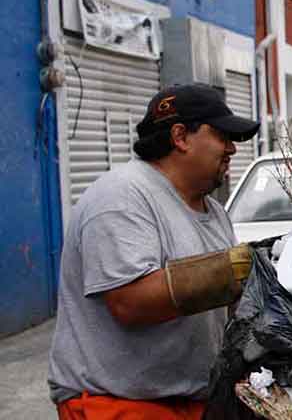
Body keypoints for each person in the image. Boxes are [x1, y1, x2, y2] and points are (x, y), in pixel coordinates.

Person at [48, 84, 261, 420]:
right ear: (180, 136)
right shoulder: (121, 197)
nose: (232, 148)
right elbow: (130, 303)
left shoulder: (215, 212)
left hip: (193, 401)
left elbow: (230, 308)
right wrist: (235, 270)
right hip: (119, 404)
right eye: (222, 136)